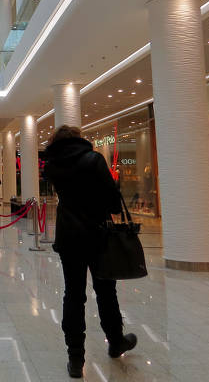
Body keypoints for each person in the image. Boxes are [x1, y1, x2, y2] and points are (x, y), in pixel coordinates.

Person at [43, 126, 137, 378]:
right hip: (98, 235)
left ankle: (75, 358)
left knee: (73, 295)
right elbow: (113, 203)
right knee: (106, 291)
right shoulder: (93, 159)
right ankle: (116, 341)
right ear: (78, 138)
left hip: (69, 237)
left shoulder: (51, 166)